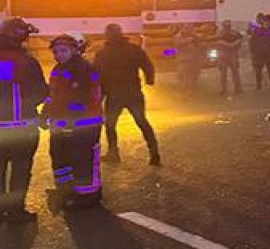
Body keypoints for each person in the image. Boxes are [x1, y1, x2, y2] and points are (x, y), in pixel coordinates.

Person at [0, 18, 48, 225]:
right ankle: (15, 212)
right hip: (22, 126)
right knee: (20, 169)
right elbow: (40, 92)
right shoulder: (26, 62)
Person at [43, 32, 104, 208]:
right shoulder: (58, 69)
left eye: (63, 51)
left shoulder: (84, 68)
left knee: (83, 159)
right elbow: (54, 95)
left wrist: (70, 117)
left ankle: (89, 196)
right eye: (56, 52)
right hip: (63, 124)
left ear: (74, 50)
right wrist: (45, 113)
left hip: (84, 125)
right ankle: (66, 191)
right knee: (60, 157)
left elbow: (81, 97)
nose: (59, 55)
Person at [93, 23, 161, 166]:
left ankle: (113, 153)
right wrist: (150, 80)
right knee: (142, 121)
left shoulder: (103, 54)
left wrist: (99, 95)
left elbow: (97, 76)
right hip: (133, 93)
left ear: (107, 36)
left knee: (110, 125)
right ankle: (154, 153)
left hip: (114, 95)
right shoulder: (134, 49)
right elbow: (147, 65)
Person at [249, 13, 270, 89]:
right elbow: (251, 38)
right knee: (259, 69)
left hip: (269, 52)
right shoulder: (256, 29)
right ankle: (259, 85)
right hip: (259, 52)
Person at [216, 20, 244, 95]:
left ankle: (238, 88)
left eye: (228, 26)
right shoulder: (220, 33)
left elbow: (241, 39)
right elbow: (217, 41)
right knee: (223, 73)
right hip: (224, 53)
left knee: (235, 72)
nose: (227, 28)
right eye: (226, 26)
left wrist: (233, 44)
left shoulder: (235, 33)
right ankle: (224, 89)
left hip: (232, 54)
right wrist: (229, 45)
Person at [173, 25, 202, 92]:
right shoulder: (178, 36)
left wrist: (196, 38)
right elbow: (178, 43)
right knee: (183, 76)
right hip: (183, 59)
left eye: (190, 28)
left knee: (193, 75)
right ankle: (182, 90)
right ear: (182, 28)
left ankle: (189, 90)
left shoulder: (194, 36)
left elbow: (200, 44)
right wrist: (190, 39)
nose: (189, 30)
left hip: (193, 58)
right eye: (187, 28)